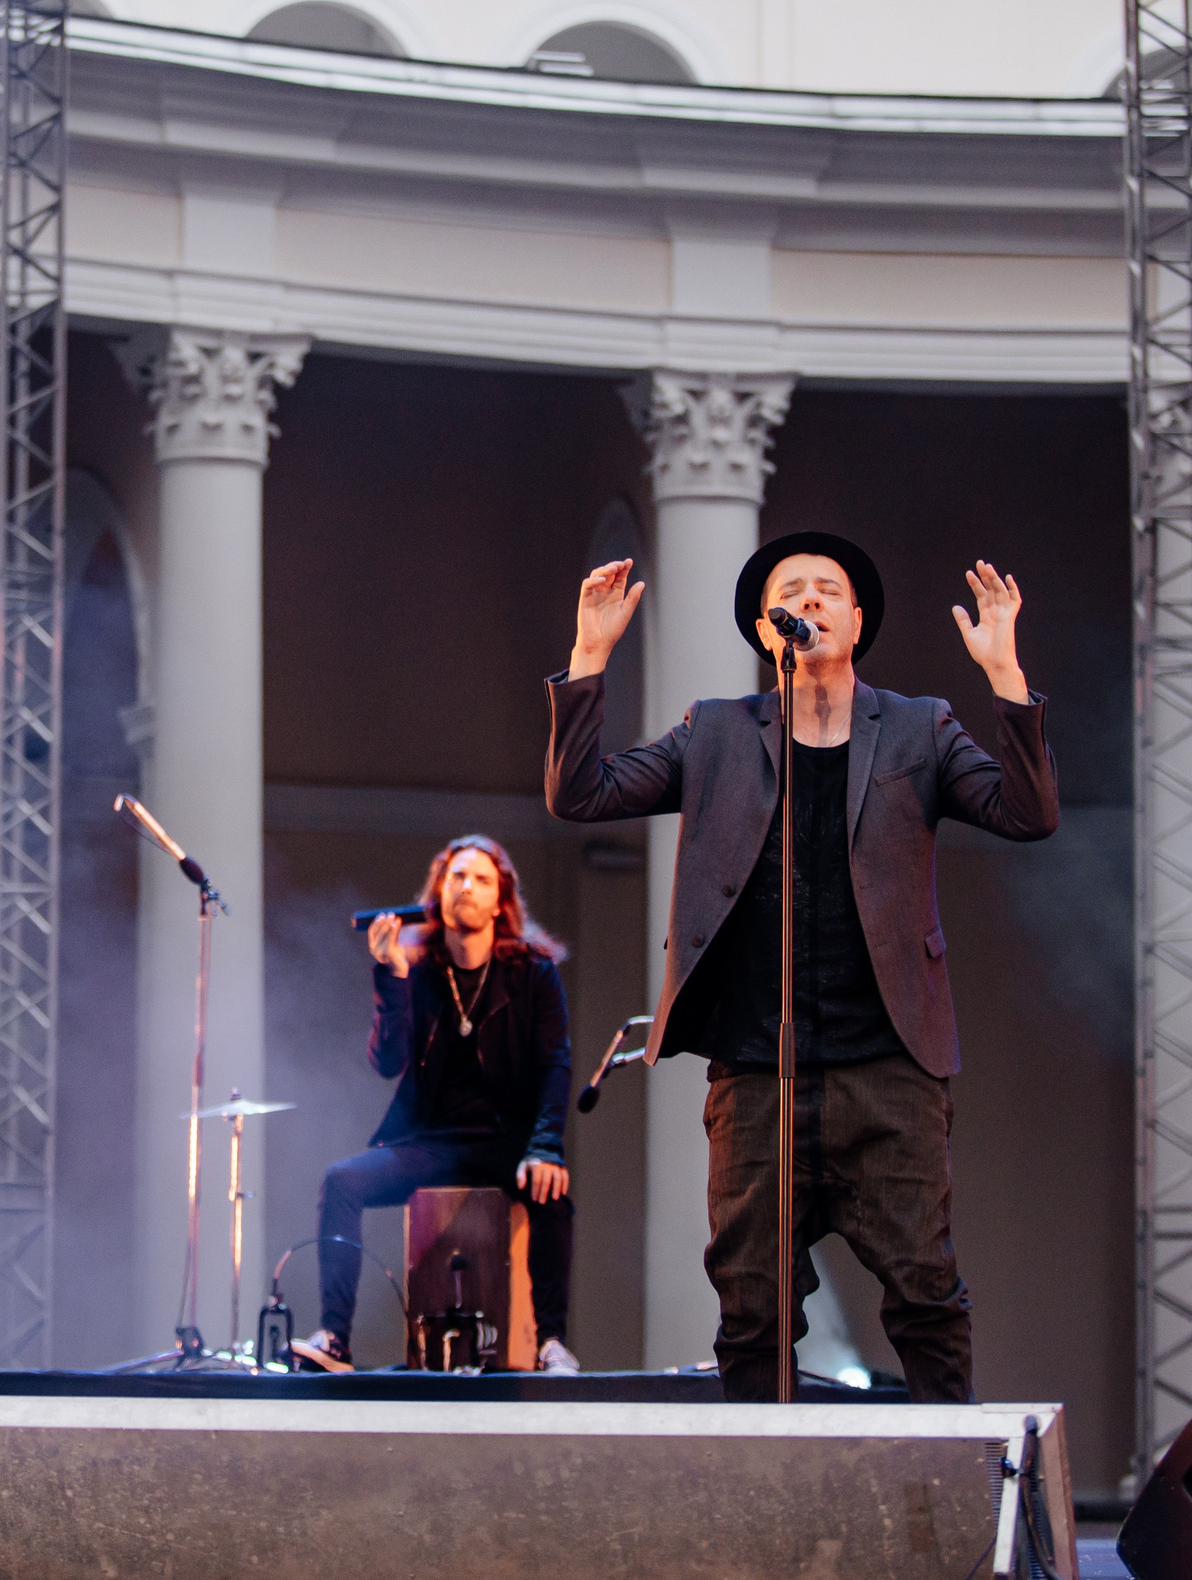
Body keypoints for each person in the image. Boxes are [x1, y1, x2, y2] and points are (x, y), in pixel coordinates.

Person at [544, 532, 1058, 1401]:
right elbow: (581, 793)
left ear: (857, 620)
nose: (813, 599)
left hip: (889, 1067)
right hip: (755, 1069)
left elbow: (1027, 811)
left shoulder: (919, 727)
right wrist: (589, 656)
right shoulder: (713, 732)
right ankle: (765, 1510)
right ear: (765, 623)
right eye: (795, 590)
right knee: (751, 1312)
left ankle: (958, 1502)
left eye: (830, 589)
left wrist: (1005, 677)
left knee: (927, 1298)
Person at [305, 834, 578, 1372]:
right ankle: (334, 1338)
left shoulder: (532, 973)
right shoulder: (419, 968)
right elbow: (386, 1061)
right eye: (456, 877)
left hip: (504, 1141)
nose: (466, 888)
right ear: (438, 892)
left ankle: (550, 1343)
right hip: (429, 1143)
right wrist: (390, 976)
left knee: (553, 1196)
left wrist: (545, 1145)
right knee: (341, 1182)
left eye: (480, 879)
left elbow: (555, 1064)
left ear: (500, 899)